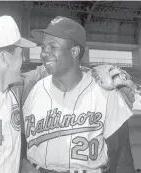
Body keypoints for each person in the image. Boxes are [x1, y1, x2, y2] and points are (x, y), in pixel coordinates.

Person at [0, 15, 134, 173]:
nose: (26, 58)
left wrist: (96, 71)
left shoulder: (16, 89)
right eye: (20, 53)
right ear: (5, 58)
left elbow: (55, 69)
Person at [22, 16, 135, 173]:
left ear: (74, 51)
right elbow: (19, 141)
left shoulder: (106, 94)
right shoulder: (32, 90)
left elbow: (123, 159)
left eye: (53, 47)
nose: (43, 53)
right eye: (43, 47)